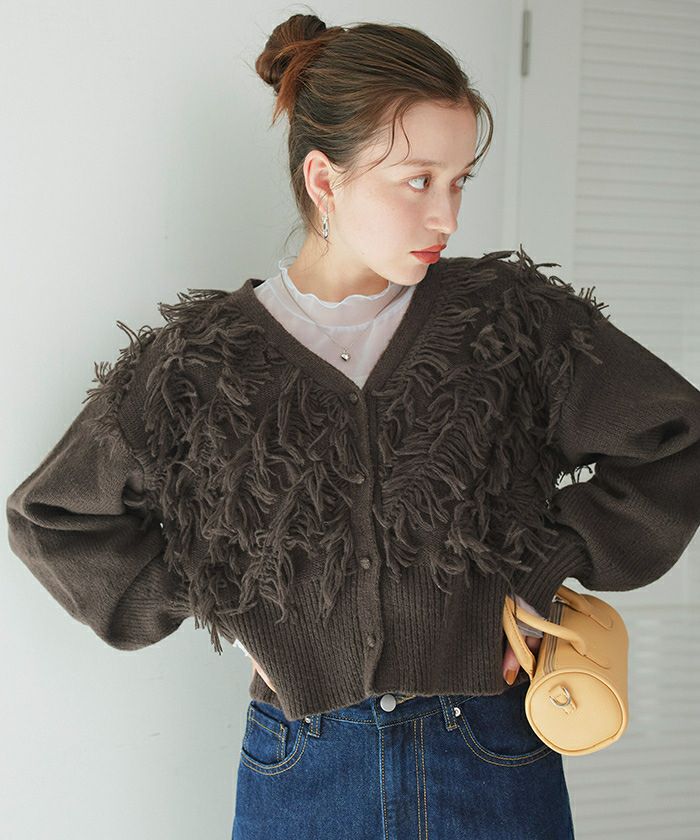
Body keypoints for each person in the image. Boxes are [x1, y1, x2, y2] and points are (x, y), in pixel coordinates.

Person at [7, 12, 700, 840]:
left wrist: (543, 561)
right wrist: (228, 592)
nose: (447, 216)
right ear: (325, 180)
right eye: (418, 180)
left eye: (460, 181)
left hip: (489, 750)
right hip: (305, 766)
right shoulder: (201, 363)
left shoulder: (508, 322)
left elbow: (675, 440)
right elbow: (53, 518)